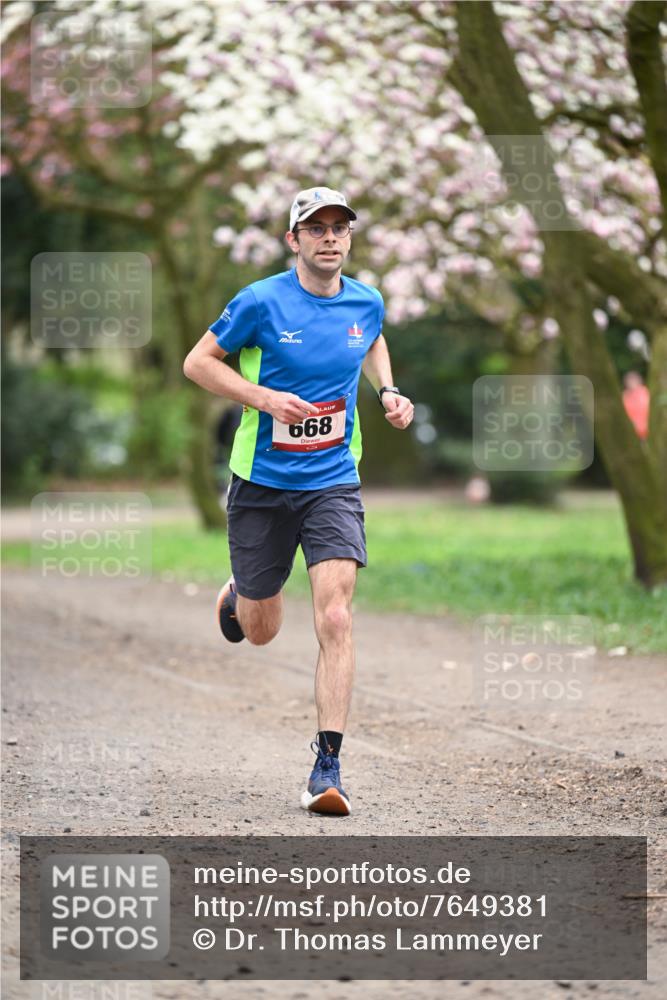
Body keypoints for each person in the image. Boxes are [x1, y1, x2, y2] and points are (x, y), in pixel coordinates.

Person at [183, 186, 414, 816]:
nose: (330, 237)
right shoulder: (260, 301)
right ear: (294, 240)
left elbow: (371, 338)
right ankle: (242, 594)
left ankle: (327, 767)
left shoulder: (367, 300)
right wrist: (264, 399)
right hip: (261, 482)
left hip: (333, 479)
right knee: (261, 630)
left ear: (350, 237)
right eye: (316, 228)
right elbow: (197, 363)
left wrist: (389, 391)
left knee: (336, 616)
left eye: (340, 227)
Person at [622, 371, 650, 441]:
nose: (631, 383)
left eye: (633, 380)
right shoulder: (625, 396)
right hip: (632, 433)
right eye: (629, 381)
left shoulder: (645, 392)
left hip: (649, 431)